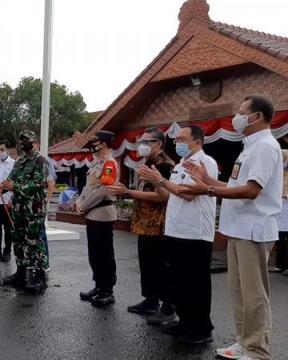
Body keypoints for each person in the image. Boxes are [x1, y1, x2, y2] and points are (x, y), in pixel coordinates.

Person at [180, 95, 281, 360]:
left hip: (253, 229)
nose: (236, 117)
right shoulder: (249, 147)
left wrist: (208, 189)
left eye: (241, 112)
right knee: (239, 292)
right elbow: (237, 186)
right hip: (239, 229)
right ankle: (243, 343)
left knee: (254, 294)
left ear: (256, 117)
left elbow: (251, 191)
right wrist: (209, 179)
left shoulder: (265, 147)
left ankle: (257, 349)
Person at [139, 125, 218, 344]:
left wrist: (162, 181)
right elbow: (168, 196)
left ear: (198, 141)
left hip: (195, 232)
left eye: (183, 139)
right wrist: (157, 181)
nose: (178, 143)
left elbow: (188, 194)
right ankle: (185, 321)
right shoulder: (181, 164)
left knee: (196, 283)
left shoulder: (205, 162)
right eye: (176, 140)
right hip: (176, 230)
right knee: (180, 282)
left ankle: (201, 328)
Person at [108, 127, 176, 324]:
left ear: (159, 145)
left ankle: (168, 306)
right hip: (144, 223)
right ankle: (151, 300)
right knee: (147, 264)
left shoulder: (165, 166)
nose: (142, 145)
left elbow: (161, 196)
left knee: (160, 265)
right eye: (141, 141)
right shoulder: (148, 162)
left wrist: (128, 193)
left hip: (158, 223)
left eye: (147, 142)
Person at [0, 130, 49, 292]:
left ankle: (39, 277)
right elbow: (11, 180)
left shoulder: (40, 160)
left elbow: (39, 184)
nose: (22, 143)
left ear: (33, 142)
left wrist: (15, 187)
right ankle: (20, 274)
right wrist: (2, 188)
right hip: (19, 210)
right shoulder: (19, 161)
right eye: (20, 141)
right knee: (18, 241)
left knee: (34, 242)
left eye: (25, 140)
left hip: (34, 210)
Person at [76, 130, 119, 307]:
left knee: (104, 254)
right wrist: (79, 201)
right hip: (92, 214)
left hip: (102, 213)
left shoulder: (109, 163)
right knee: (94, 253)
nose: (92, 145)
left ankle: (107, 290)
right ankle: (98, 285)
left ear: (104, 143)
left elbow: (104, 190)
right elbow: (88, 187)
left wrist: (84, 205)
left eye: (96, 142)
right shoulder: (97, 164)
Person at [34, 142, 57, 267]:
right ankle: (33, 260)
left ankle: (44, 262)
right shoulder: (22, 161)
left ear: (37, 145)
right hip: (26, 205)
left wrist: (47, 200)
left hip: (39, 204)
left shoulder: (43, 160)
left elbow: (51, 181)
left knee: (40, 233)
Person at [270, 149, 288, 275]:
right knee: (280, 237)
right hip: (280, 209)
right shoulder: (278, 173)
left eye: (284, 158)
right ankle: (280, 265)